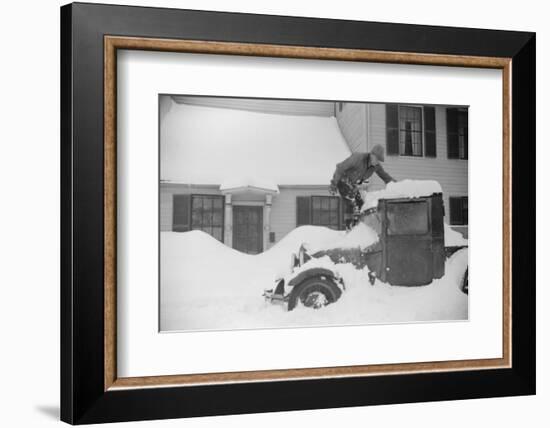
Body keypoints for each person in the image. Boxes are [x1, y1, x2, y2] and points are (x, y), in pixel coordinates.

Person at [329, 144, 395, 216]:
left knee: (361, 204)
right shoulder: (358, 158)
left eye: (379, 160)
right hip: (342, 180)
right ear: (371, 155)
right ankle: (351, 219)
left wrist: (398, 186)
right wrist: (333, 185)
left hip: (352, 185)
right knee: (352, 200)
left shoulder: (376, 166)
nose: (377, 162)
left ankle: (359, 222)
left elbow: (385, 176)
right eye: (376, 158)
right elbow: (340, 167)